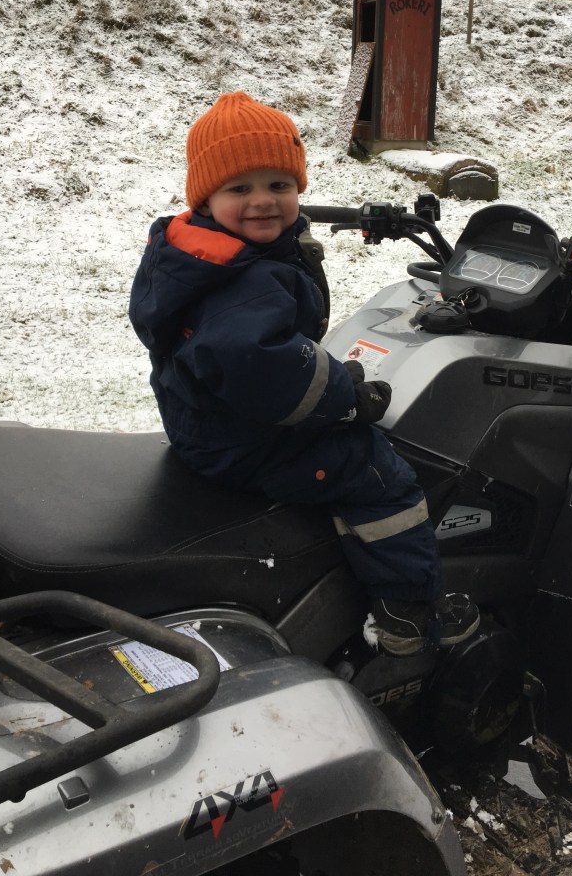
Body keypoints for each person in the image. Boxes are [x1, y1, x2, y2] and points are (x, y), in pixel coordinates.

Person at [129, 91, 479, 655]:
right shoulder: (244, 282)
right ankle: (408, 610)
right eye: (239, 189)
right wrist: (346, 398)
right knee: (377, 473)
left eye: (279, 185)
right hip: (243, 439)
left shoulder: (200, 253)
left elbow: (261, 351)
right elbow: (260, 365)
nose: (262, 201)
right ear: (205, 197)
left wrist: (327, 376)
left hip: (207, 420)